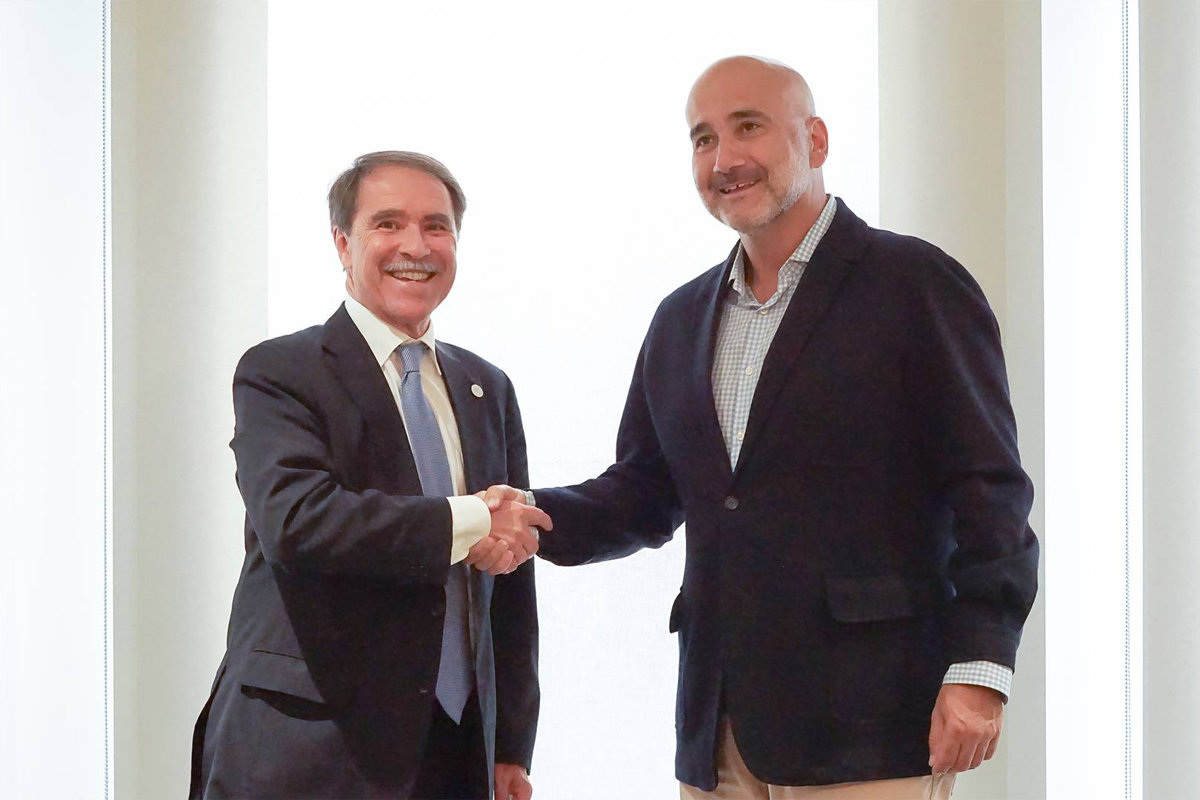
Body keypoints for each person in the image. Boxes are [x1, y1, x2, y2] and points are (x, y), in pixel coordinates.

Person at [485, 56, 1039, 798]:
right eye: (703, 138)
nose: (724, 159)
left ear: (816, 139)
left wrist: (980, 667)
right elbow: (646, 491)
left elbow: (990, 490)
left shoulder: (914, 284)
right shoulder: (681, 319)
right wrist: (529, 517)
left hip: (872, 723)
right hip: (718, 725)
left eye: (748, 127)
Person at [189, 151, 549, 800]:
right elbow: (299, 522)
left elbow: (510, 582)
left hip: (456, 749)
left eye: (437, 226)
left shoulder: (485, 387)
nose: (416, 245)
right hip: (310, 748)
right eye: (388, 223)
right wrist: (473, 518)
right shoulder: (281, 372)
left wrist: (510, 744)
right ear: (342, 242)